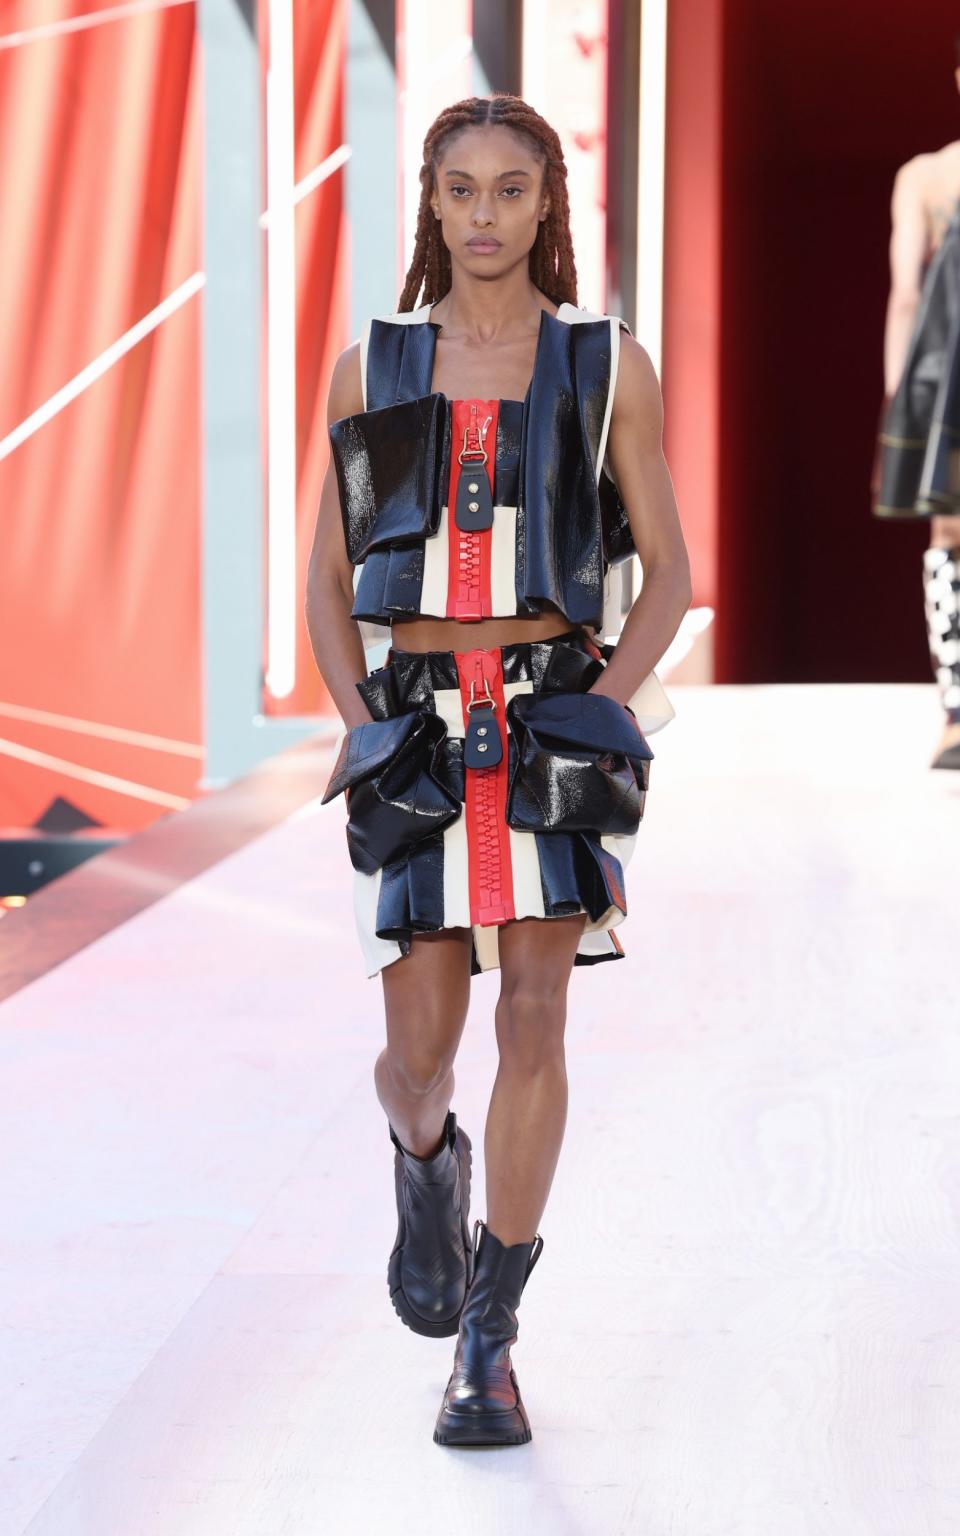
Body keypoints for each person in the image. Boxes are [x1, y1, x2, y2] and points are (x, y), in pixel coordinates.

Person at [305, 93, 691, 1448]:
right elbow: (327, 578)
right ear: (433, 204)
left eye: (506, 191)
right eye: (459, 190)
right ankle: (427, 1167)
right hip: (414, 717)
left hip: (544, 717)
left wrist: (598, 707)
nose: (481, 215)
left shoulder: (602, 364)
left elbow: (669, 577)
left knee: (536, 1014)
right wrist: (362, 723)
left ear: (546, 205)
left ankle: (490, 1337)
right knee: (418, 1054)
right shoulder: (377, 362)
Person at [874, 41, 960, 770]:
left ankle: (959, 712)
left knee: (949, 527)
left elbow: (907, 292)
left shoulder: (928, 177)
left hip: (947, 372)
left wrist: (900, 403)